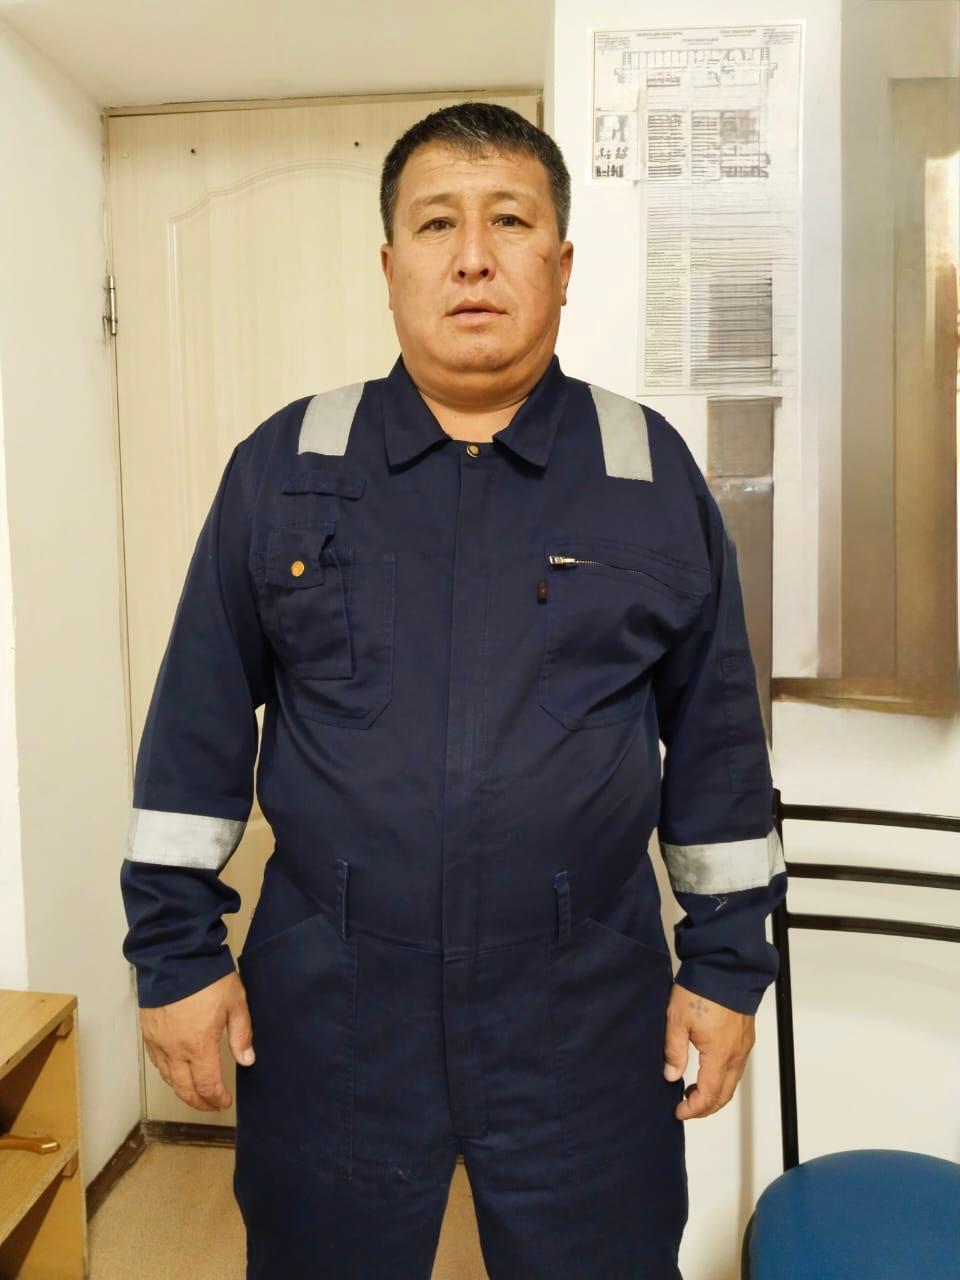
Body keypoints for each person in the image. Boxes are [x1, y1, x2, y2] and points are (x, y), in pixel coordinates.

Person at [120, 100, 787, 1280]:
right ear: (390, 268)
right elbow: (194, 732)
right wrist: (176, 956)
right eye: (437, 223)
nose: (473, 255)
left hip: (585, 1010)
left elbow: (720, 750)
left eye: (509, 221)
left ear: (562, 265)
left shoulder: (649, 472)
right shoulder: (286, 465)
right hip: (334, 1009)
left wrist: (727, 968)